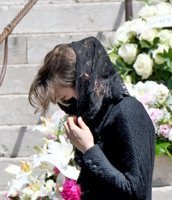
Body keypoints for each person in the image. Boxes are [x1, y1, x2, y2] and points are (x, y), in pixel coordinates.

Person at [28, 36, 155, 200]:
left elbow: (136, 192)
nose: (69, 106)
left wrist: (88, 149)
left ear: (84, 79)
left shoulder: (127, 111)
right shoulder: (97, 116)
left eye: (67, 99)